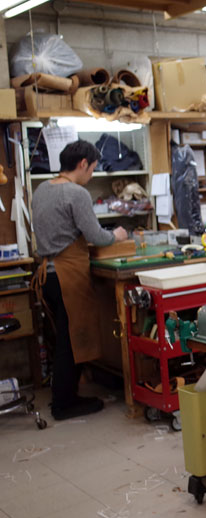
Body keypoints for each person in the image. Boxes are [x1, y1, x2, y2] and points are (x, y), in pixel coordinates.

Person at [31, 140, 128, 421]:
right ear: (83, 164)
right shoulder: (76, 193)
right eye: (93, 169)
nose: (92, 176)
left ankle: (65, 396)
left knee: (62, 337)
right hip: (67, 275)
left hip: (46, 274)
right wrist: (117, 236)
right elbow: (97, 236)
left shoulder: (42, 190)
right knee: (71, 341)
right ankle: (65, 404)